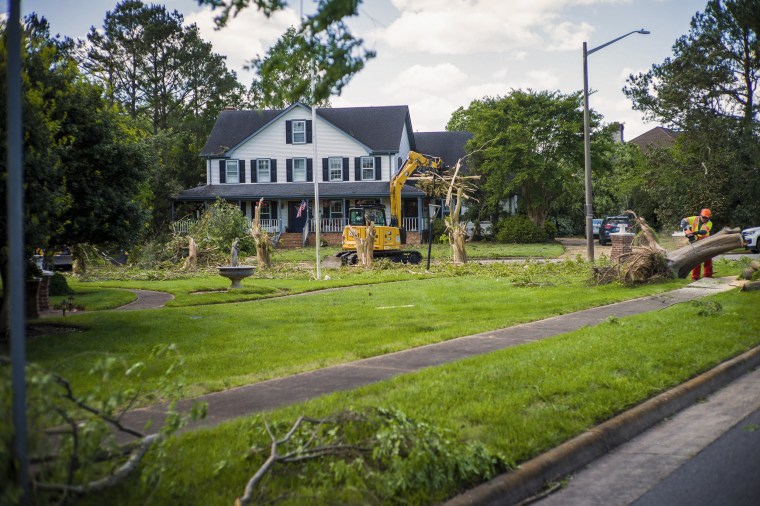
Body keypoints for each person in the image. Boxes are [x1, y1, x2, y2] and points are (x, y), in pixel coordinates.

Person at [680, 208, 713, 280]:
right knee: (696, 259)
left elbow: (703, 232)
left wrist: (694, 233)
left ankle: (708, 275)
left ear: (709, 218)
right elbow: (683, 220)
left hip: (705, 240)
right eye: (704, 217)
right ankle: (695, 277)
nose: (705, 219)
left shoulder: (709, 223)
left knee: (708, 258)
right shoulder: (695, 218)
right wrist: (686, 229)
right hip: (695, 240)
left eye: (706, 218)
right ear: (701, 215)